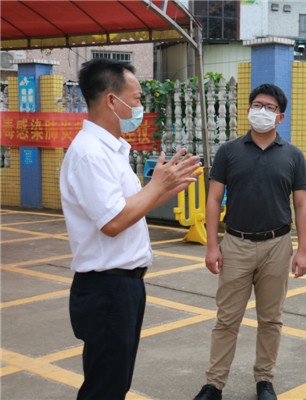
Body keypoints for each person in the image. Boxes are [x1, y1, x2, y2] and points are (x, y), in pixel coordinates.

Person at [60, 58, 201, 400]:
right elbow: (113, 223)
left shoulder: (111, 150)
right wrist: (157, 187)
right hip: (106, 288)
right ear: (112, 100)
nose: (141, 108)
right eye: (136, 99)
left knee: (114, 382)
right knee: (105, 388)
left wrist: (164, 189)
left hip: (123, 287)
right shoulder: (90, 154)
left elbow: (130, 208)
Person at [194, 83, 306, 400]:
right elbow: (214, 199)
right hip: (236, 243)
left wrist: (302, 251)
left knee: (270, 320)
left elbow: (301, 204)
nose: (262, 111)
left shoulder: (293, 155)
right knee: (227, 319)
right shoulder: (229, 152)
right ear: (247, 110)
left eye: (270, 108)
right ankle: (214, 384)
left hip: (277, 245)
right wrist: (212, 246)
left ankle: (265, 381)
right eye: (257, 105)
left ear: (280, 117)